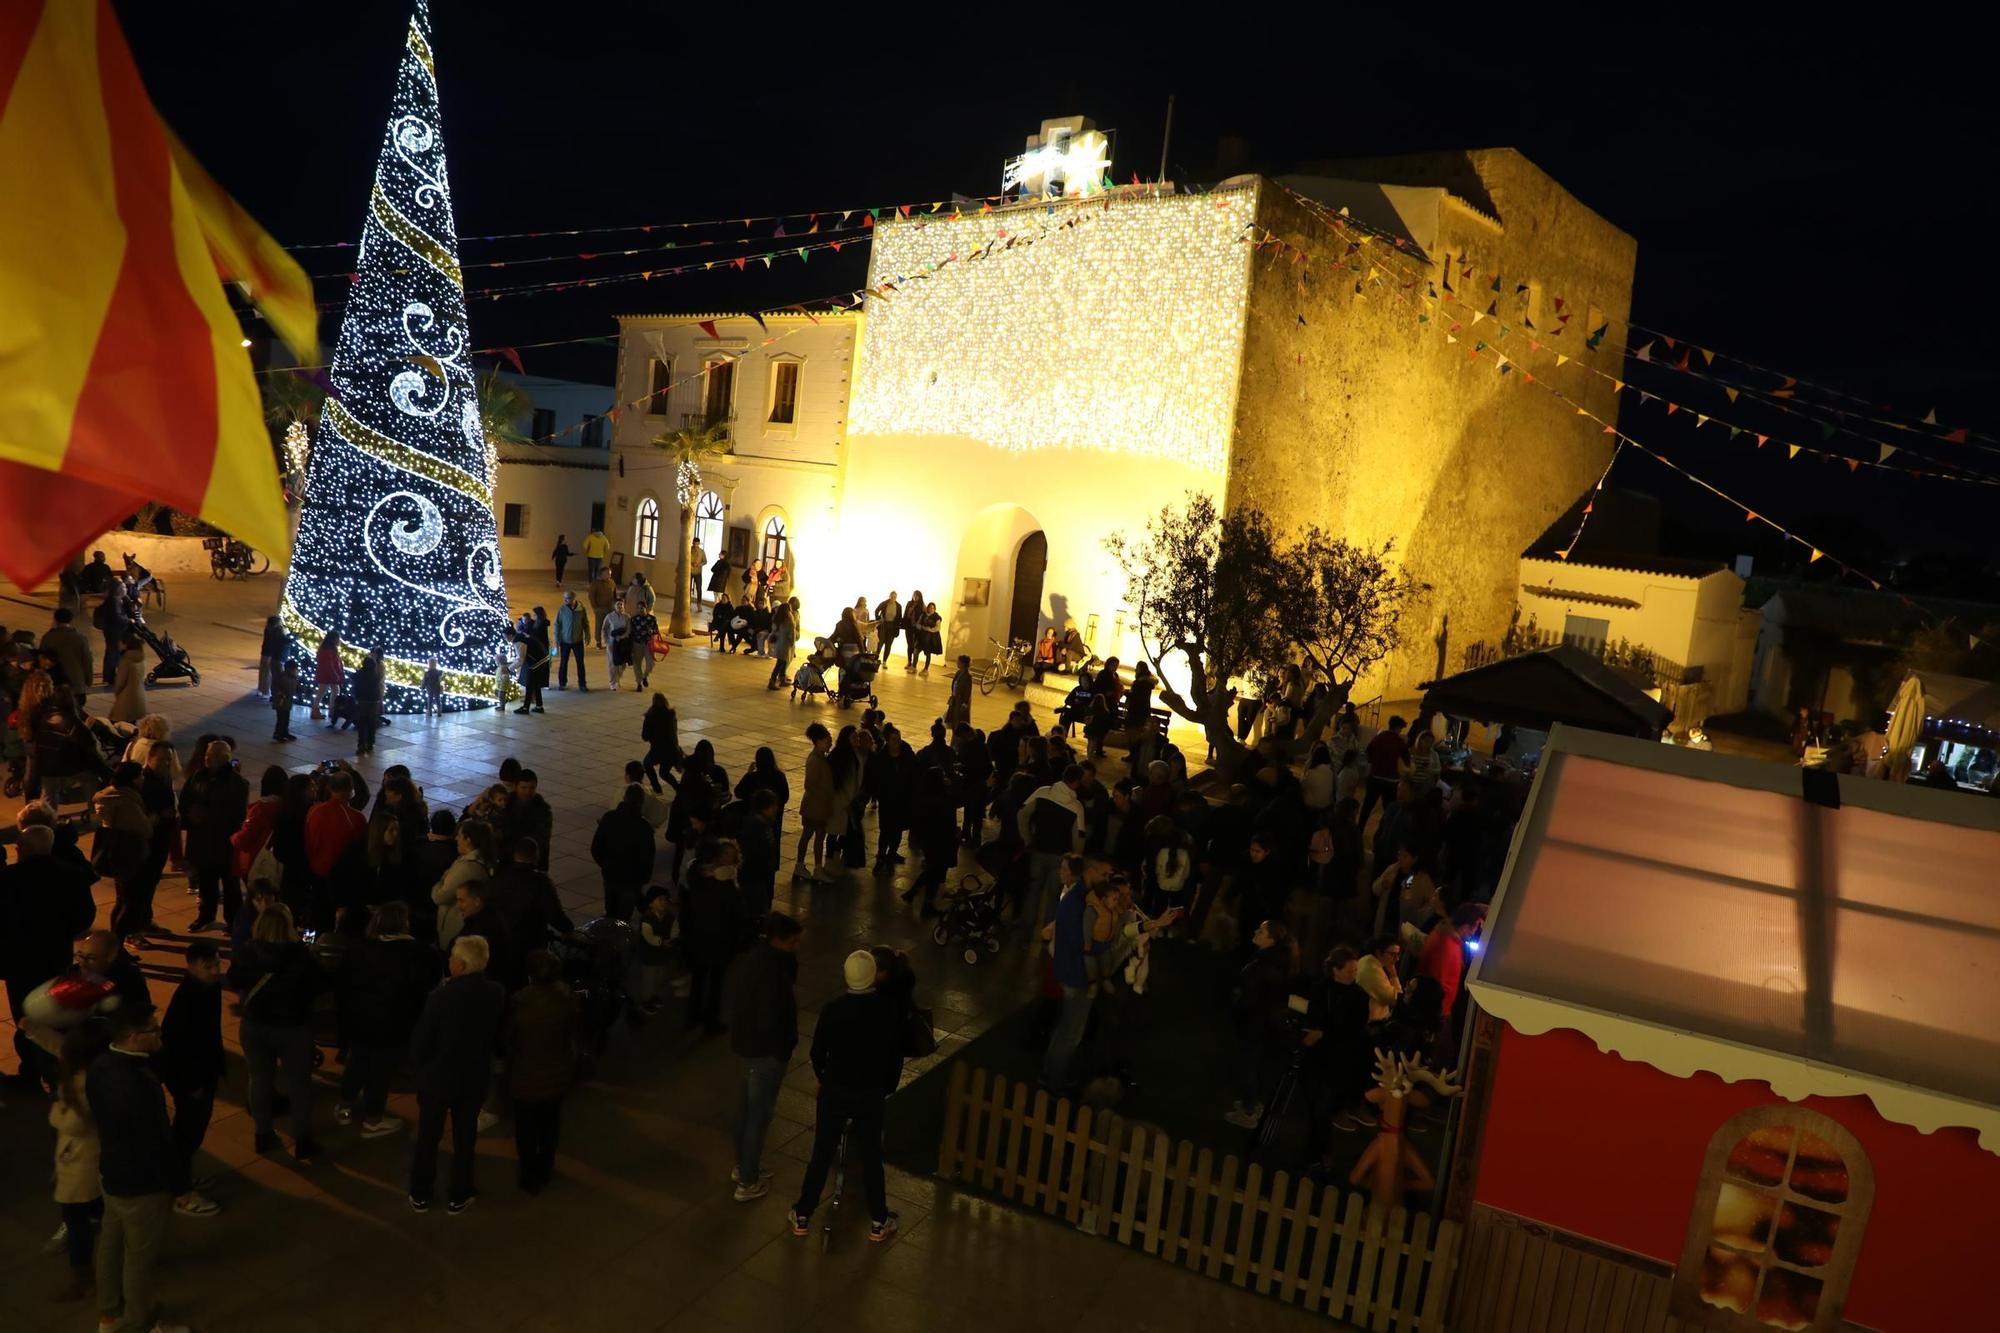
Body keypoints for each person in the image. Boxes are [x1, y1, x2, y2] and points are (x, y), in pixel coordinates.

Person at [87, 1004, 191, 1333]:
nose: (160, 1035)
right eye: (154, 1031)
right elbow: (158, 1139)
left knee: (110, 1242)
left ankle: (109, 1313)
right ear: (133, 1038)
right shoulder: (139, 1083)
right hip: (141, 1182)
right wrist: (179, 1184)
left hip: (111, 1170)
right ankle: (138, 1322)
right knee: (139, 1258)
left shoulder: (101, 1064)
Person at [787, 950, 903, 1241]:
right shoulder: (888, 1011)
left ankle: (803, 1214)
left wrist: (826, 1079)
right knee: (871, 1156)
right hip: (870, 1093)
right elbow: (894, 1057)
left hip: (836, 1092)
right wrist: (886, 1086)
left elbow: (817, 1053)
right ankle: (879, 1220)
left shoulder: (832, 1010)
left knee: (822, 1153)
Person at [408, 934, 507, 1214]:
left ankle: (421, 1192)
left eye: (452, 956)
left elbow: (421, 1042)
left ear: (460, 966)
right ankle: (460, 1192)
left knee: (428, 1136)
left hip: (437, 1080)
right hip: (473, 1078)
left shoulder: (440, 998)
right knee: (465, 1139)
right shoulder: (495, 993)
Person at [229, 903, 324, 1160]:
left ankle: (263, 1134)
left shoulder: (247, 952)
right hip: (293, 1028)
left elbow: (234, 980)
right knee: (299, 1084)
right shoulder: (301, 956)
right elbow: (317, 988)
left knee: (259, 1079)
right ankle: (303, 1140)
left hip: (254, 1024)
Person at [334, 902, 434, 1138]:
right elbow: (420, 989)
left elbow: (343, 986)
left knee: (357, 1062)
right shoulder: (416, 954)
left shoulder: (359, 949)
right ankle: (373, 1119)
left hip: (359, 1021)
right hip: (392, 1025)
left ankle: (344, 1105)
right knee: (380, 1071)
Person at [723, 913, 801, 1202]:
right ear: (778, 940)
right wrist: (783, 1048)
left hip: (747, 1047)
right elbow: (773, 1017)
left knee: (746, 1109)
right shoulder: (773, 971)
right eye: (793, 942)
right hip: (766, 1053)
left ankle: (743, 1164)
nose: (796, 947)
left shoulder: (754, 961)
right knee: (758, 1114)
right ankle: (747, 1180)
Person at [159, 939, 225, 1218]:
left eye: (217, 964)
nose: (215, 970)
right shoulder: (189, 999)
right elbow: (177, 1046)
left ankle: (180, 1178)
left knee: (192, 1130)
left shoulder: (208, 988)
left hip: (201, 1074)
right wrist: (191, 1084)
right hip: (191, 1079)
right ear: (192, 965)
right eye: (208, 966)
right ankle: (180, 1189)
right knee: (187, 1132)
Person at [508, 949, 582, 1194]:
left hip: (526, 1076)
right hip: (558, 1072)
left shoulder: (519, 1002)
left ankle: (529, 1175)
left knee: (526, 1129)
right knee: (550, 1123)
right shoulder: (567, 997)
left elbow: (508, 1039)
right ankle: (546, 1167)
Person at [50, 1024, 109, 1301]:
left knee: (78, 1225)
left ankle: (84, 1279)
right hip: (93, 1163)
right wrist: (32, 1029)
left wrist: (56, 1111)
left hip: (80, 1165)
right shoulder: (103, 1074)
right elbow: (57, 1046)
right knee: (103, 1211)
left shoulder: (83, 1086)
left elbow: (73, 1124)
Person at [1223, 919, 1298, 1128]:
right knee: (1253, 1063)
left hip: (1255, 1023)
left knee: (1249, 1065)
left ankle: (1248, 1111)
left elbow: (1251, 997)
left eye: (1262, 930)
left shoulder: (1264, 966)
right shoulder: (1275, 961)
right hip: (1262, 1023)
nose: (1256, 931)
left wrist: (1237, 1003)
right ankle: (1251, 1103)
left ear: (1271, 940)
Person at [180, 739, 249, 933]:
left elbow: (237, 815)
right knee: (206, 882)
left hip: (224, 843)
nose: (208, 759)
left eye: (213, 756)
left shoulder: (237, 783)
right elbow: (185, 802)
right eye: (207, 755)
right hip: (201, 841)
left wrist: (207, 815)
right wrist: (190, 814)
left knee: (230, 886)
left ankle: (233, 921)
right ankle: (206, 916)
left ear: (225, 758)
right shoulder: (197, 777)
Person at [680, 840, 749, 1033]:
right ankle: (707, 1019)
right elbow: (736, 910)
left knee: (704, 979)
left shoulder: (697, 875)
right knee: (711, 980)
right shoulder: (722, 884)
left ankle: (695, 1017)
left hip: (704, 936)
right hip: (716, 937)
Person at [590, 787, 656, 922]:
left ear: (624, 798)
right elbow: (648, 857)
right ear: (641, 803)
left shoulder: (609, 818)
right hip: (631, 880)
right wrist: (642, 878)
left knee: (611, 910)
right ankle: (621, 938)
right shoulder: (644, 827)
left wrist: (605, 864)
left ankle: (609, 936)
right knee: (624, 916)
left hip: (611, 874)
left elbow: (596, 848)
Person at [793, 722, 837, 882]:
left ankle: (806, 866)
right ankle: (807, 866)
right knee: (812, 836)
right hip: (815, 807)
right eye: (827, 740)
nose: (830, 743)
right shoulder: (815, 760)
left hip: (817, 806)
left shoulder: (820, 758)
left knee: (814, 836)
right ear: (818, 741)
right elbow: (810, 784)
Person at [1359, 715, 1410, 832]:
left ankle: (1359, 830)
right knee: (1388, 810)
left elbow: (1368, 752)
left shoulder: (1379, 738)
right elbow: (1406, 760)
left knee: (1367, 807)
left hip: (1375, 777)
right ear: (1398, 728)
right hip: (1391, 781)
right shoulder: (1399, 742)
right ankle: (1382, 832)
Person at [41, 606, 93, 694]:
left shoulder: (48, 637)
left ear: (55, 620)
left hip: (55, 683)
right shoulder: (80, 638)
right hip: (76, 683)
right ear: (71, 620)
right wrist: (88, 680)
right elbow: (87, 661)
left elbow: (42, 659)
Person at [641, 692, 681, 792]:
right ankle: (678, 789)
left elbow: (644, 736)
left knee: (647, 764)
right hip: (671, 751)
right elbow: (673, 735)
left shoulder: (650, 716)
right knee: (664, 773)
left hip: (657, 751)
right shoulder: (671, 715)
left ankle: (656, 788)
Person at [554, 590, 591, 691]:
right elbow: (557, 624)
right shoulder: (562, 609)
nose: (565, 600)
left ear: (574, 599)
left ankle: (582, 684)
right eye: (564, 598)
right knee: (563, 662)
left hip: (577, 640)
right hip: (565, 641)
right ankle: (562, 683)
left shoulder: (581, 609)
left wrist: (587, 636)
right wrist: (557, 639)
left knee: (580, 663)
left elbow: (585, 623)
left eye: (568, 598)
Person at [353, 647, 387, 755]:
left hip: (362, 701)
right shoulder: (375, 675)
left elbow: (353, 679)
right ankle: (370, 743)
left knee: (362, 724)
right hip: (373, 701)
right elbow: (380, 679)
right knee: (371, 722)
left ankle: (361, 744)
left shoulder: (360, 674)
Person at [514, 615, 550, 715]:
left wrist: (509, 669)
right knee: (535, 684)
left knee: (530, 684)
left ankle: (526, 708)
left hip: (537, 661)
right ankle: (539, 706)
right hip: (542, 658)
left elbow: (520, 659)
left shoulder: (518, 641)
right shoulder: (522, 636)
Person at [108, 635, 145, 724]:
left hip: (126, 699)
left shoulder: (126, 660)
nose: (119, 645)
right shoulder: (140, 658)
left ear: (126, 645)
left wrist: (116, 692)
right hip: (138, 697)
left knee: (117, 724)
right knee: (132, 724)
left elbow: (120, 683)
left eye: (121, 643)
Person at [311, 630, 344, 722]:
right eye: (338, 638)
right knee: (323, 692)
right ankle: (319, 710)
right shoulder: (328, 650)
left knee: (330, 691)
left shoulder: (329, 649)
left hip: (328, 675)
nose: (339, 640)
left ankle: (330, 710)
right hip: (327, 675)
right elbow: (329, 665)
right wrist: (335, 675)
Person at [601, 596, 632, 691]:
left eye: (621, 604)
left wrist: (622, 637)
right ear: (614, 606)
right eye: (617, 604)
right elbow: (604, 629)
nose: (619, 606)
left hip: (623, 643)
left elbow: (629, 630)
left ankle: (618, 678)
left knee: (622, 664)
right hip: (612, 643)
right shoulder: (609, 617)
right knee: (613, 663)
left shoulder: (627, 617)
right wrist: (605, 641)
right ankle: (613, 682)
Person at [257, 615, 286, 698]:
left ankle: (260, 689)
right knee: (268, 672)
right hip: (271, 653)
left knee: (263, 671)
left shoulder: (267, 629)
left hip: (265, 651)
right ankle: (266, 691)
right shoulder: (276, 631)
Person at [689, 538, 708, 606]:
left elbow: (705, 561)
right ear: (692, 543)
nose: (695, 545)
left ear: (699, 543)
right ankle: (688, 602)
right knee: (688, 588)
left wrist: (699, 564)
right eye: (694, 543)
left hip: (698, 572)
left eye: (697, 543)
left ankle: (699, 604)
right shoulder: (689, 550)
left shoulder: (701, 552)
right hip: (690, 572)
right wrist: (690, 563)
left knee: (699, 589)